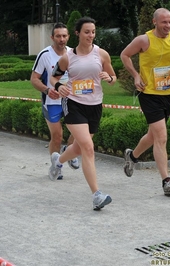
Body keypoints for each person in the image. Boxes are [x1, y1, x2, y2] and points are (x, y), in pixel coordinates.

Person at [120, 8, 170, 196]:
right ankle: (166, 182)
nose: (168, 26)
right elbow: (125, 55)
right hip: (148, 94)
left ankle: (132, 156)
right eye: (164, 22)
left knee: (153, 137)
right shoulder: (143, 40)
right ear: (154, 22)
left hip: (167, 94)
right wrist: (136, 76)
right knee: (161, 137)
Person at [49, 17, 117, 211]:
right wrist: (60, 85)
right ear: (78, 33)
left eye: (93, 32)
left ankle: (58, 160)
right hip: (73, 103)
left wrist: (109, 77)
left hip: (94, 105)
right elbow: (53, 77)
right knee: (88, 147)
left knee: (79, 148)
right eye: (87, 32)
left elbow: (113, 78)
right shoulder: (68, 57)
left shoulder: (102, 54)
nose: (91, 35)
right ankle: (97, 195)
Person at [30, 22, 80, 180]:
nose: (61, 39)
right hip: (51, 102)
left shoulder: (74, 53)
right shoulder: (45, 54)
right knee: (57, 136)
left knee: (80, 133)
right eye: (58, 36)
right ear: (52, 37)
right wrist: (46, 90)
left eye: (64, 36)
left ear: (69, 37)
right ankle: (56, 166)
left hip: (71, 100)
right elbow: (34, 79)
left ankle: (70, 150)